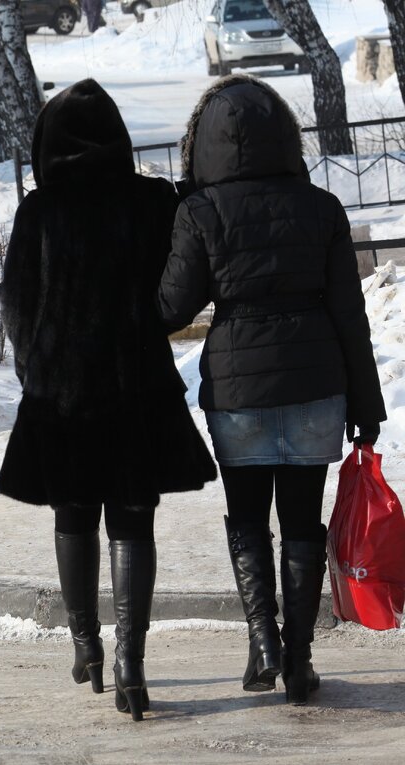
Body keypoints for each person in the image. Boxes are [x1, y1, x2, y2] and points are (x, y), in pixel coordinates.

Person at [158, 75, 386, 706]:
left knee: (248, 518)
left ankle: (262, 638)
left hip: (239, 393)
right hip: (317, 388)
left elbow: (171, 307)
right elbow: (350, 318)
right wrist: (367, 406)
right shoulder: (322, 208)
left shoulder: (200, 213)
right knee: (302, 521)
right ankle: (300, 658)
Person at [0, 79, 217, 722]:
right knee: (132, 521)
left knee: (72, 516)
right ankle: (133, 668)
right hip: (135, 386)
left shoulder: (38, 212)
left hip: (62, 393)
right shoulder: (150, 202)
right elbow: (182, 273)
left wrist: (35, 364)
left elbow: (15, 302)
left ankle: (86, 645)